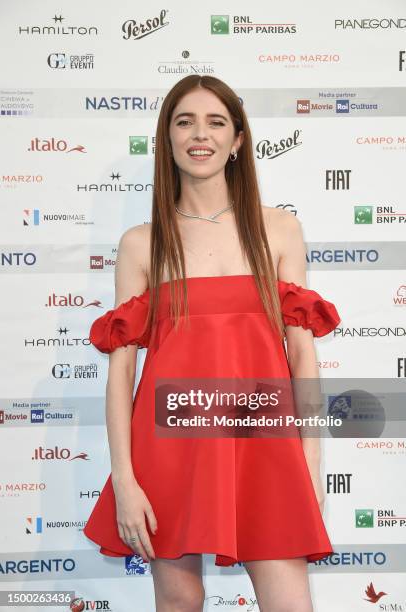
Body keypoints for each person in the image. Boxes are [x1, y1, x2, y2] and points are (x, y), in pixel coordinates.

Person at [83, 75, 341, 612]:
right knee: (178, 599)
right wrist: (125, 480)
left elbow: (303, 356)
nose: (200, 134)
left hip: (263, 443)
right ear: (167, 138)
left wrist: (310, 463)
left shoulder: (280, 230)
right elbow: (121, 375)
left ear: (238, 139)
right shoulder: (141, 243)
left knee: (291, 604)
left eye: (216, 121)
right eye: (185, 121)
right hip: (169, 445)